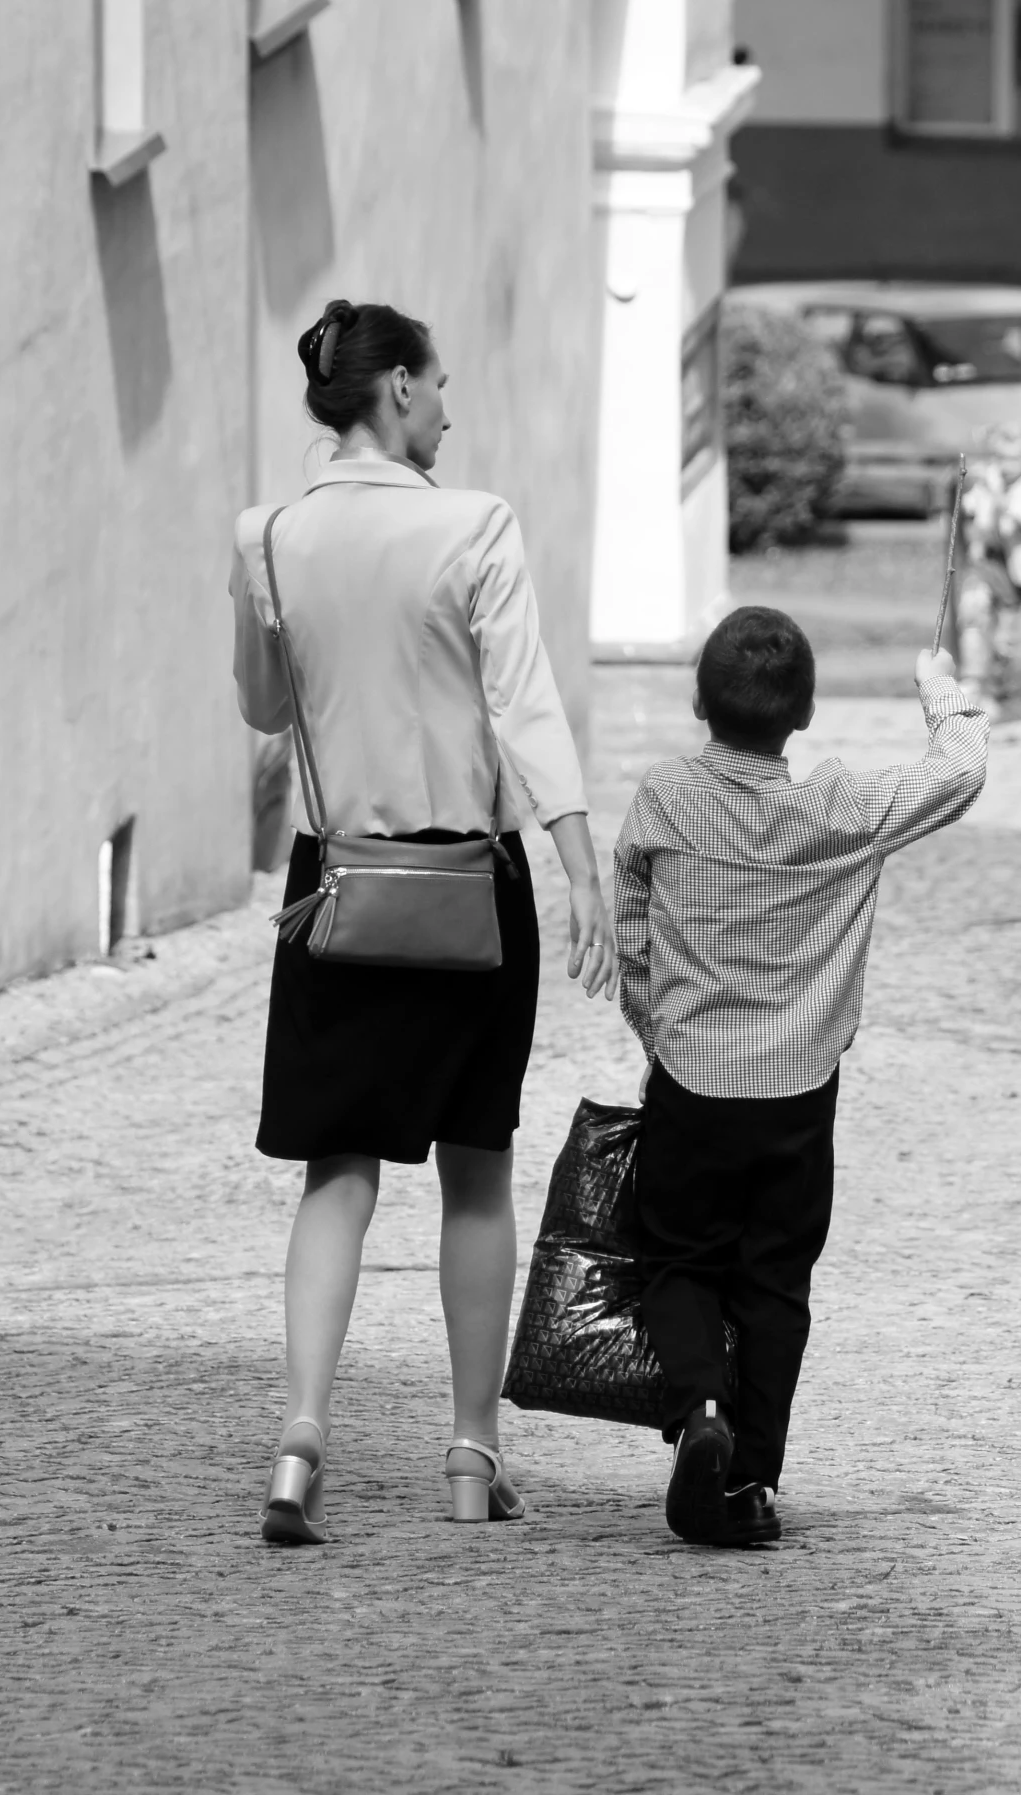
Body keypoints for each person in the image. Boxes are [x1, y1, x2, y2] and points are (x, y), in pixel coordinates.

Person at [230, 297, 617, 1544]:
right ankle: (469, 1455)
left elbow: (258, 704)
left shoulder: (268, 534)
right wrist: (579, 864)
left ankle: (299, 1435)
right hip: (467, 885)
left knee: (334, 1173)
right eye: (439, 384)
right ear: (394, 389)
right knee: (474, 1174)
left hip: (335, 884)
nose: (450, 407)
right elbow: (523, 708)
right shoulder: (476, 526)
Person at [611, 606, 988, 1547]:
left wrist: (655, 1029)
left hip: (690, 1083)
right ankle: (748, 1482)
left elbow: (631, 930)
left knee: (674, 1262)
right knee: (774, 1284)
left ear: (698, 699)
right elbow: (961, 770)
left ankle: (699, 1410)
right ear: (806, 712)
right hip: (796, 1093)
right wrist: (938, 694)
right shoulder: (839, 811)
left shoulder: (663, 799)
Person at [955, 423, 1021, 719]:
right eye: (1002, 458)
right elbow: (968, 507)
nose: (1007, 466)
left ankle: (994, 690)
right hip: (985, 562)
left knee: (1002, 639)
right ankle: (972, 682)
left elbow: (1016, 519)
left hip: (1014, 572)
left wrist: (993, 493)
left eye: (1015, 458)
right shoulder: (989, 478)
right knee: (973, 613)